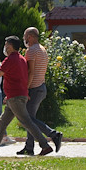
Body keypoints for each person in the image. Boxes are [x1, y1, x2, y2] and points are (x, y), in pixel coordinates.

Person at [0, 36, 53, 156]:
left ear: (10, 46)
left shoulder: (9, 60)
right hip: (16, 96)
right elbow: (21, 78)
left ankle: (45, 146)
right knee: (2, 122)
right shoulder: (21, 59)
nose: (5, 47)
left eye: (6, 44)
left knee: (27, 122)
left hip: (15, 97)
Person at [18, 27, 63, 156]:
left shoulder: (31, 51)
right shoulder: (42, 49)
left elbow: (30, 71)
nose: (24, 39)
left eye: (25, 36)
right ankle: (29, 147)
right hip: (41, 87)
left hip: (34, 88)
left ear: (30, 37)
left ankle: (53, 134)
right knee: (29, 119)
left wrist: (25, 88)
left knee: (28, 119)